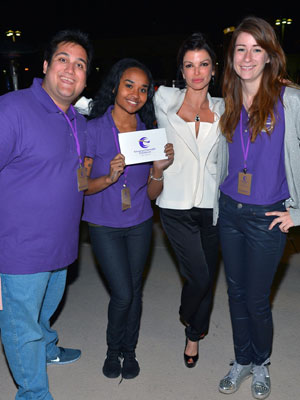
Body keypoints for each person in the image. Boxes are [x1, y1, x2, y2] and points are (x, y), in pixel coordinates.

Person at [0, 30, 93, 400]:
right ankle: (33, 393)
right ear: (45, 66)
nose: (71, 70)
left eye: (80, 64)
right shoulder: (13, 109)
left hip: (62, 245)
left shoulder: (78, 120)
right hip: (20, 250)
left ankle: (48, 349)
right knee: (22, 326)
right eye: (63, 60)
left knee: (46, 310)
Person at [213, 16, 300, 399]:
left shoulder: (291, 99)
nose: (247, 57)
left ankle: (261, 362)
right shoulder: (228, 101)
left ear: (269, 56)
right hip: (230, 211)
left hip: (268, 216)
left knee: (256, 297)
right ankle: (242, 359)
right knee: (234, 293)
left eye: (256, 49)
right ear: (232, 56)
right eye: (240, 49)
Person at [82, 58, 174, 379]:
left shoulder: (147, 135)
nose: (136, 94)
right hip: (104, 224)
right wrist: (108, 178)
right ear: (115, 87)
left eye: (143, 89)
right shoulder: (92, 129)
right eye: (129, 85)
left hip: (139, 222)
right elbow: (81, 185)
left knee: (134, 290)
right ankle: (112, 349)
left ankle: (129, 351)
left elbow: (150, 195)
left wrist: (159, 171)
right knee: (122, 293)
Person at [153, 33, 224, 368]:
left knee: (207, 275)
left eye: (204, 64)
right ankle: (186, 313)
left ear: (214, 69)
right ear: (181, 70)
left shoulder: (226, 107)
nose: (197, 72)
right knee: (198, 275)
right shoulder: (164, 99)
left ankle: (193, 335)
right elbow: (126, 101)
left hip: (212, 204)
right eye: (189, 65)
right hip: (175, 204)